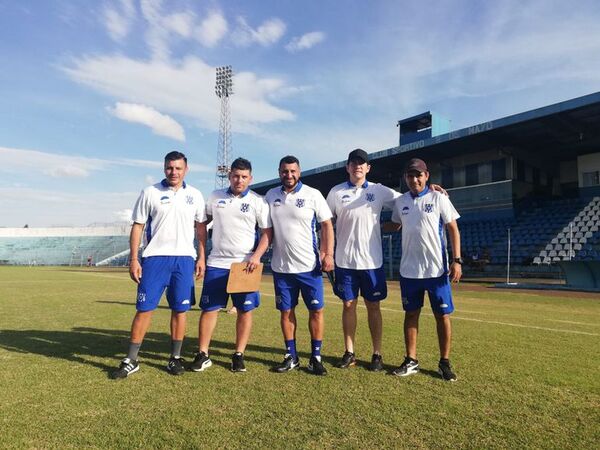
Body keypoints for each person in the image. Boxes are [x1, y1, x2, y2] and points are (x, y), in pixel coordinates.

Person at [111, 151, 207, 379]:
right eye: (169, 168)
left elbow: (201, 229)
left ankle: (175, 358)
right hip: (155, 259)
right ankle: (131, 360)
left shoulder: (195, 195)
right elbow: (138, 227)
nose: (173, 172)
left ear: (186, 169)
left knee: (180, 310)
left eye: (178, 168)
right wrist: (134, 259)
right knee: (144, 309)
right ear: (164, 168)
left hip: (184, 259)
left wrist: (202, 257)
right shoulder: (150, 192)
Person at [189, 158, 272, 373]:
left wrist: (257, 255)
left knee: (244, 311)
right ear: (230, 176)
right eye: (236, 176)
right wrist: (201, 255)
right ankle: (203, 354)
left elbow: (267, 234)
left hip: (244, 265)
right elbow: (201, 224)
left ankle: (238, 354)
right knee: (209, 309)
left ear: (250, 178)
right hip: (216, 262)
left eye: (244, 177)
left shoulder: (257, 201)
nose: (239, 180)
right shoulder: (216, 197)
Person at [326, 149, 400, 371]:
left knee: (373, 306)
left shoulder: (379, 191)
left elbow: (406, 202)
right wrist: (327, 252)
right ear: (347, 167)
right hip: (345, 262)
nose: (357, 166)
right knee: (348, 305)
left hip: (371, 262)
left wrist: (432, 189)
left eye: (362, 163)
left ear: (368, 168)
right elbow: (326, 222)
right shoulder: (336, 192)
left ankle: (377, 354)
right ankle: (349, 352)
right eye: (353, 163)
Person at [390, 158, 462, 381]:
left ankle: (444, 362)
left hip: (437, 270)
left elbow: (453, 228)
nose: (414, 179)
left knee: (442, 315)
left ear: (426, 176)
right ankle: (411, 360)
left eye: (418, 175)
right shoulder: (400, 201)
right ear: (405, 178)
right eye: (410, 176)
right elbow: (394, 225)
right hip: (409, 271)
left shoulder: (438, 197)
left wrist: (457, 260)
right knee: (411, 314)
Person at [265, 155, 334, 376]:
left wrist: (328, 253)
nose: (289, 175)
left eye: (293, 171)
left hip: (309, 267)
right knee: (286, 312)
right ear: (279, 172)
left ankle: (315, 357)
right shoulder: (270, 196)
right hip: (281, 269)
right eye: (285, 171)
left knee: (316, 310)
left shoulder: (313, 194)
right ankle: (291, 356)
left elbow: (326, 225)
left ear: (299, 172)